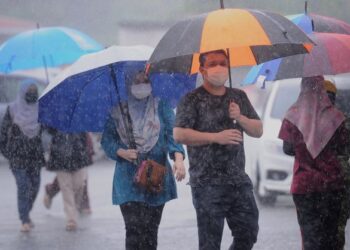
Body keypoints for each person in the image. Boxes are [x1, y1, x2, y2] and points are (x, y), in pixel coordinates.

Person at [174, 50, 263, 250]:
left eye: (223, 63)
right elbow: (179, 134)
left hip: (237, 180)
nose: (219, 68)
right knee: (210, 244)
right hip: (206, 183)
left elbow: (258, 130)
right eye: (213, 63)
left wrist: (240, 118)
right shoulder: (191, 100)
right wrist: (215, 137)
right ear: (202, 69)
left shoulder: (238, 97)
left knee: (248, 233)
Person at [101, 70, 186, 250]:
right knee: (133, 230)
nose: (142, 84)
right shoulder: (118, 110)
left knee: (150, 231)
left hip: (156, 177)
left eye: (145, 79)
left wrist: (178, 159)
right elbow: (107, 140)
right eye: (137, 80)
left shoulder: (161, 106)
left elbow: (173, 135)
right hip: (127, 179)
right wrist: (121, 152)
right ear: (128, 84)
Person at [278, 76, 350, 250]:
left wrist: (305, 148)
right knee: (331, 237)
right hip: (332, 185)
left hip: (304, 186)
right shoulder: (336, 117)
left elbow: (287, 149)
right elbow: (345, 149)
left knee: (310, 237)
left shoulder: (292, 115)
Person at [0, 79, 45, 233]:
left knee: (35, 186)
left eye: (34, 90)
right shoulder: (12, 109)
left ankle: (26, 212)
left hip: (35, 155)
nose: (32, 93)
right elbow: (3, 132)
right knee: (23, 186)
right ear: (23, 92)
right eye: (29, 90)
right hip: (18, 156)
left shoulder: (41, 109)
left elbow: (49, 129)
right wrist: (6, 151)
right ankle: (24, 219)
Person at [46, 128, 92, 231]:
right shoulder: (56, 120)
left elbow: (86, 140)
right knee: (66, 189)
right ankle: (71, 219)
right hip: (60, 160)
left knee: (80, 185)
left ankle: (74, 209)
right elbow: (48, 130)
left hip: (79, 159)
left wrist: (86, 152)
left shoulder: (80, 121)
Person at [324, 79, 350, 250]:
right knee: (336, 230)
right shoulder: (342, 118)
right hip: (337, 180)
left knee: (332, 229)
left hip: (333, 181)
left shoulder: (306, 118)